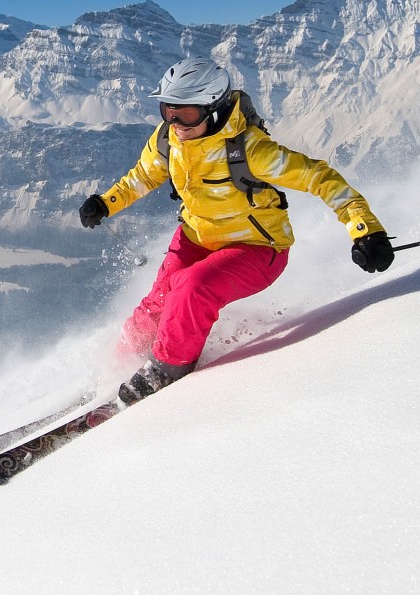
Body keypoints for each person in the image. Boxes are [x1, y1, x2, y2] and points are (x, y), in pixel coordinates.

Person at [79, 58, 394, 402]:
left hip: (257, 247)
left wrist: (365, 230)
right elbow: (143, 177)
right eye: (167, 110)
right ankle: (114, 372)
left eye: (186, 114)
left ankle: (165, 370)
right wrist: (106, 202)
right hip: (196, 237)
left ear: (213, 110)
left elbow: (321, 178)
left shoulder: (250, 149)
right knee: (155, 307)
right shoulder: (167, 141)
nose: (174, 123)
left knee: (191, 288)